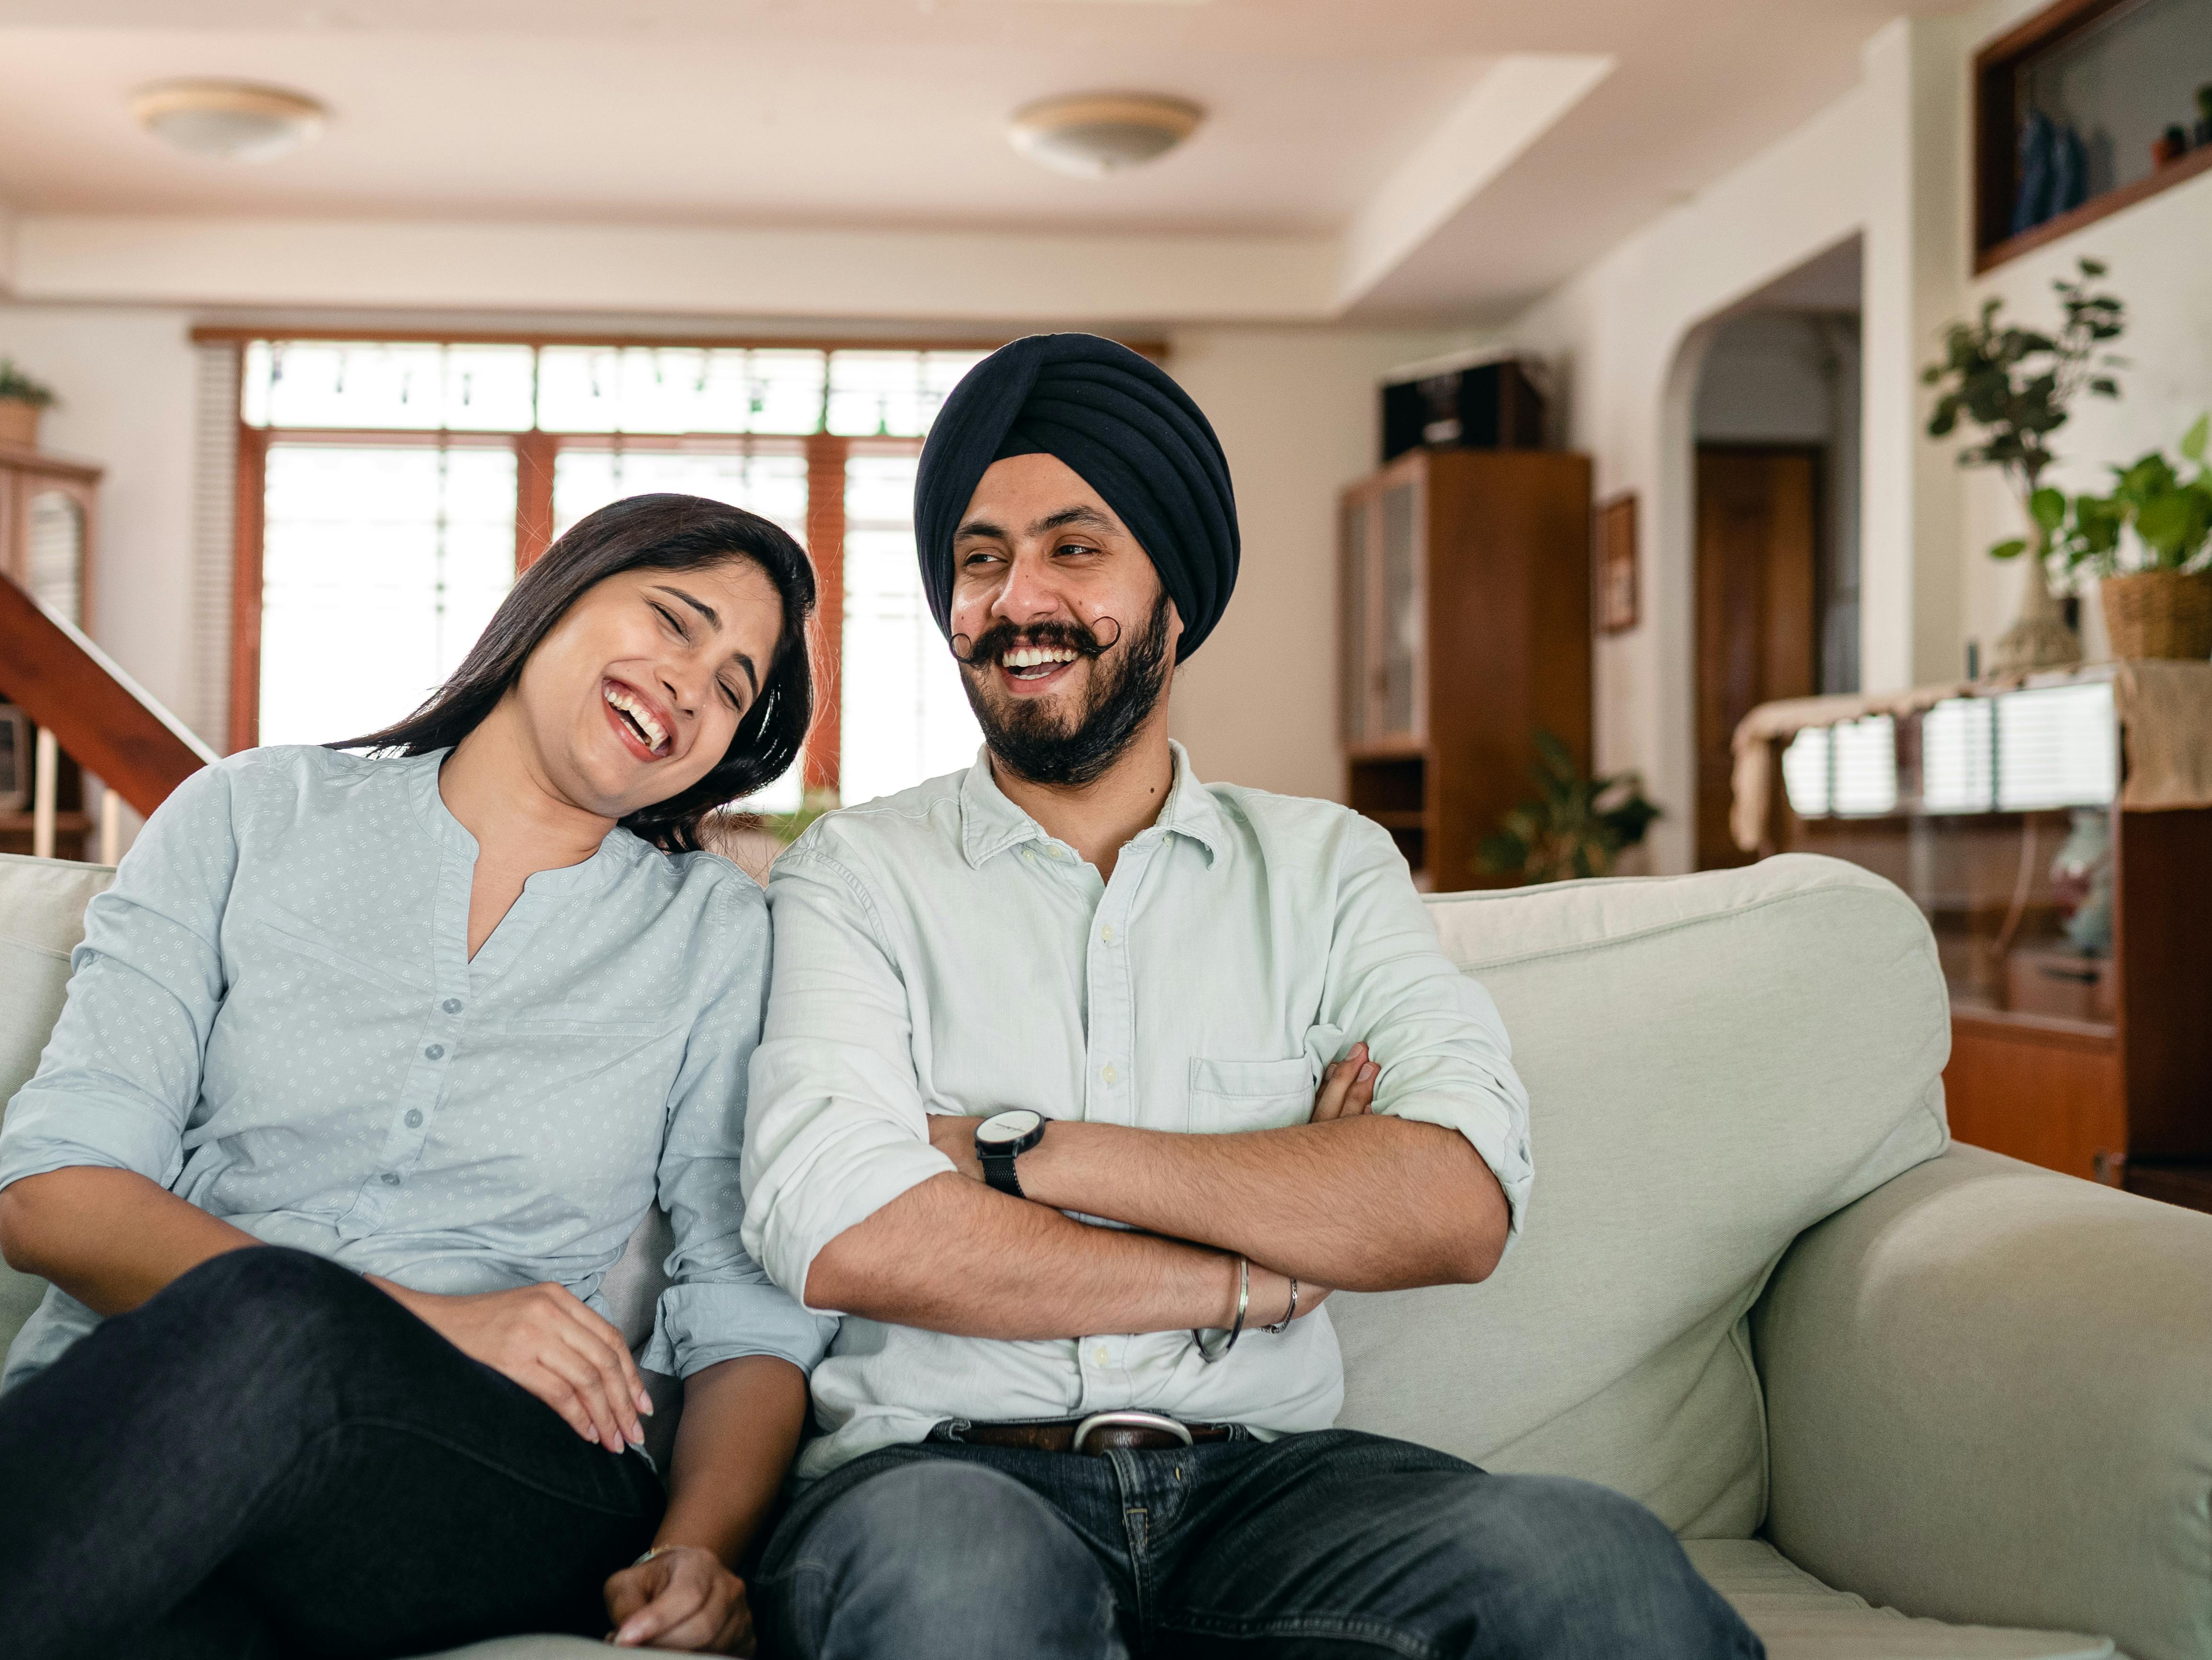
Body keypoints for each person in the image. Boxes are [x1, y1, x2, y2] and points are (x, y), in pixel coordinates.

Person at [737, 335, 1761, 1658]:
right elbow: (841, 1232)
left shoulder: (1329, 868)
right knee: (958, 1596)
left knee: (1589, 1566)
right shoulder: (858, 874)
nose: (1015, 596)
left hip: (1263, 1484)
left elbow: (1451, 1204)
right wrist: (1246, 1275)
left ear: (1175, 596)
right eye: (980, 558)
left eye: (1075, 547)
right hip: (940, 1476)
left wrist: (1019, 1155)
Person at [0, 493, 832, 1660]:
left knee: (271, 1316)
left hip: (502, 1479)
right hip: (161, 1433)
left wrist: (702, 1547)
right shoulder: (252, 812)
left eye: (733, 686)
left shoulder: (712, 933)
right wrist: (432, 1317)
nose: (691, 684)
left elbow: (742, 1297)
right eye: (676, 622)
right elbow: (58, 1193)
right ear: (557, 596)